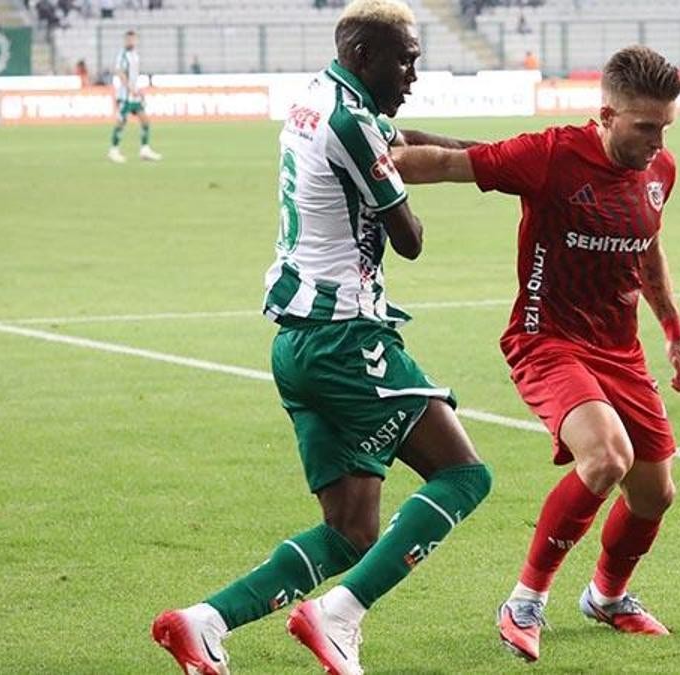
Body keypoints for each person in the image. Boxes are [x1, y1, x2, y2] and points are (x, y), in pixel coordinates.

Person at [149, 2, 492, 674]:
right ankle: (339, 614)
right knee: (463, 475)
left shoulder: (318, 98)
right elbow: (410, 239)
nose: (413, 75)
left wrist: (494, 159)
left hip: (296, 344)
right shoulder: (349, 122)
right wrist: (402, 173)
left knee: (351, 530)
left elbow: (400, 136)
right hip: (345, 338)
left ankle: (203, 622)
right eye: (405, 60)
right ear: (364, 55)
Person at [390, 45, 680, 663]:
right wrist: (369, 159)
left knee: (654, 495)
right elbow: (448, 163)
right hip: (546, 339)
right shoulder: (552, 155)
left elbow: (649, 249)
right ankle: (524, 601)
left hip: (620, 349)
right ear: (606, 115)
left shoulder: (660, 171)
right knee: (605, 456)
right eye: (645, 127)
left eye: (665, 127)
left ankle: (607, 597)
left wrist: (672, 328)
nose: (657, 141)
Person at [108, 30, 163, 163]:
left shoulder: (135, 55)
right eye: (128, 39)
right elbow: (120, 72)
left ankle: (145, 149)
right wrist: (130, 88)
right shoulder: (122, 55)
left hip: (134, 95)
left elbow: (134, 75)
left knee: (145, 121)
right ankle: (113, 150)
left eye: (133, 39)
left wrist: (137, 89)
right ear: (125, 40)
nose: (131, 41)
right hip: (125, 95)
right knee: (121, 121)